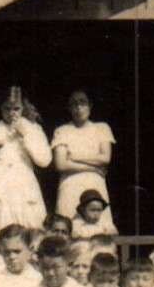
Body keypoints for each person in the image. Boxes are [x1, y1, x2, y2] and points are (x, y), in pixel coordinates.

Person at [0, 91, 53, 240]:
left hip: (24, 185)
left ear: (23, 107)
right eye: (7, 108)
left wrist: (26, 135)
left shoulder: (33, 128)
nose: (12, 113)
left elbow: (45, 160)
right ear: (0, 108)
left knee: (29, 233)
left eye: (16, 108)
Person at [48, 89, 117, 223]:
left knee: (97, 227)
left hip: (94, 183)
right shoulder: (62, 131)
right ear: (69, 108)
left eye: (82, 102)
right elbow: (61, 164)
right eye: (74, 104)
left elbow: (105, 158)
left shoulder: (102, 128)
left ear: (90, 105)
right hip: (70, 184)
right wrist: (93, 168)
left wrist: (74, 156)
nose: (78, 108)